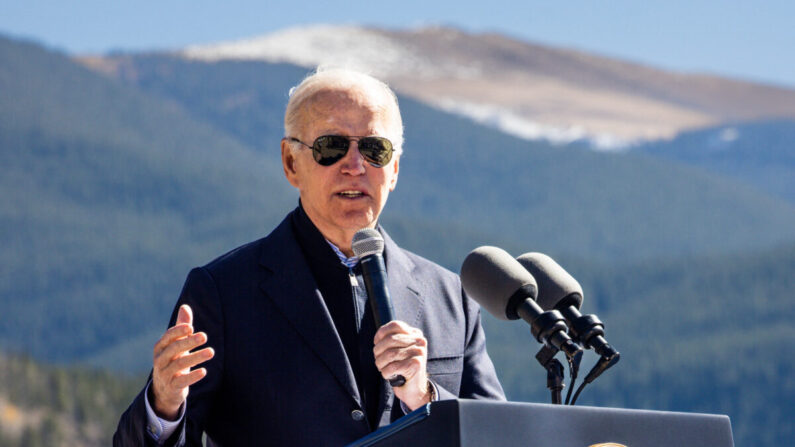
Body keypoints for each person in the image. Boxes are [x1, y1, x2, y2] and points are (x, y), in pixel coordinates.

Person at [114, 68, 505, 446]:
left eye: (374, 149)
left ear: (395, 168)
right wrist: (163, 407)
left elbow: (501, 435)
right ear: (290, 162)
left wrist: (426, 397)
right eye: (331, 147)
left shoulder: (452, 297)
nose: (354, 166)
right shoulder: (222, 292)